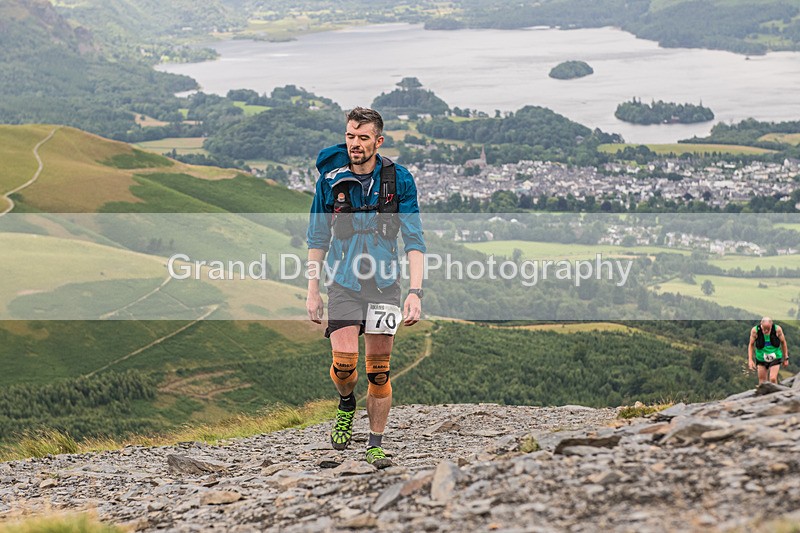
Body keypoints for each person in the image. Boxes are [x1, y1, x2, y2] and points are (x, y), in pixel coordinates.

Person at [306, 107, 425, 469]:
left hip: (385, 285)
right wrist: (312, 290)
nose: (355, 144)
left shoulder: (399, 180)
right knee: (344, 366)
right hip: (342, 283)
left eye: (362, 137)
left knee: (378, 371)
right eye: (350, 136)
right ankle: (346, 404)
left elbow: (415, 240)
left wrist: (415, 293)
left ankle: (375, 443)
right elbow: (317, 237)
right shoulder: (330, 180)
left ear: (378, 140)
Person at [748, 317, 789, 384]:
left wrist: (786, 358)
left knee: (772, 378)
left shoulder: (777, 329)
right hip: (761, 358)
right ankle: (764, 394)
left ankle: (775, 393)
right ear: (761, 324)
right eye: (764, 329)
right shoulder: (755, 331)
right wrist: (750, 360)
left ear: (771, 325)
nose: (766, 331)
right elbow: (751, 345)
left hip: (775, 357)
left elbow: (783, 342)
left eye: (768, 329)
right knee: (762, 381)